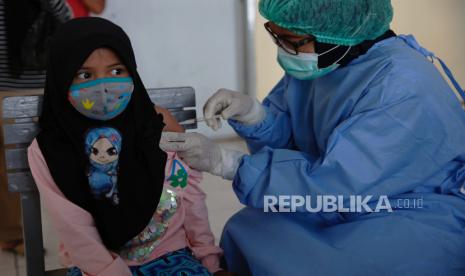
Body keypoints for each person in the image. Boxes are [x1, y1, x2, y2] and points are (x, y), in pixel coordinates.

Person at [161, 0, 465, 275]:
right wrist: (254, 115)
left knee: (337, 266)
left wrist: (228, 164)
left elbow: (335, 182)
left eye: (291, 41)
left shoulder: (401, 88)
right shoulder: (326, 59)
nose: (282, 49)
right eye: (275, 35)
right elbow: (295, 139)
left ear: (336, 33)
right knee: (247, 229)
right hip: (336, 197)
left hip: (404, 208)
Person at [27, 17, 231, 276]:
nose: (103, 87)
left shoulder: (157, 125)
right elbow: (75, 229)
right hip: (97, 269)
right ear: (61, 77)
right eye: (84, 74)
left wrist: (209, 262)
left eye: (116, 71)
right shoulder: (50, 150)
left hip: (171, 256)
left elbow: (186, 193)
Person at [0, 0, 71, 256]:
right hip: (2, 91)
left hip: (41, 89)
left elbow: (67, 20)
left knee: (57, 163)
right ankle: (11, 234)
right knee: (7, 169)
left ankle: (79, 232)